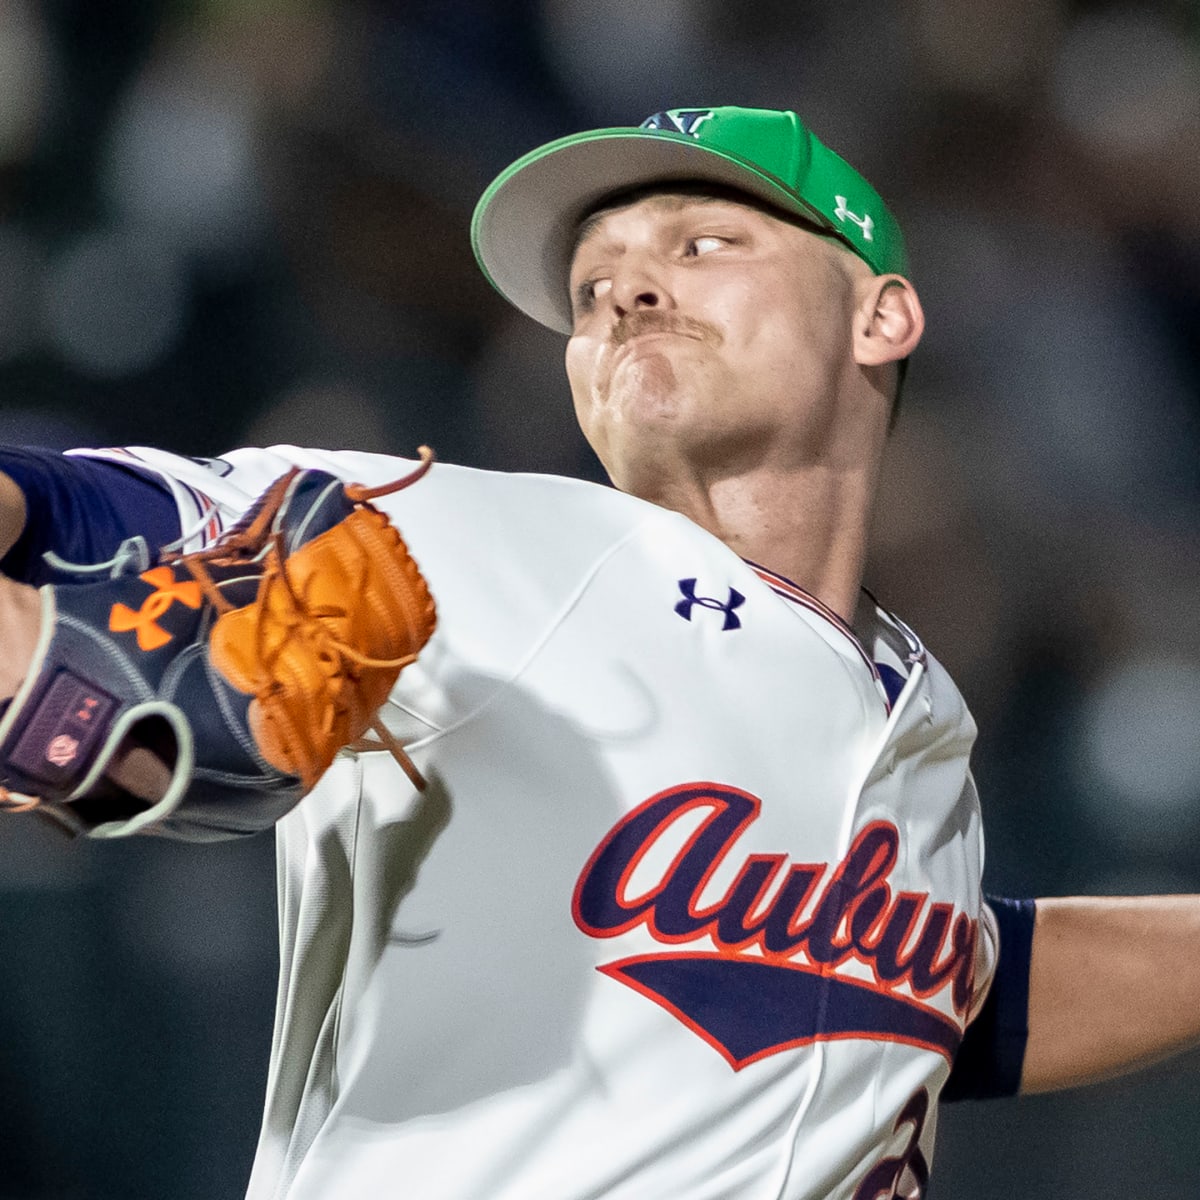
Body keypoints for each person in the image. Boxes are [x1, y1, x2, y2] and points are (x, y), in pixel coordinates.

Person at [1, 105, 1199, 1199]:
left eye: (698, 247)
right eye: (589, 289)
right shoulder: (454, 533)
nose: (623, 293)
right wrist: (49, 683)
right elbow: (45, 507)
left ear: (880, 313)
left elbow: (958, 988)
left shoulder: (919, 704)